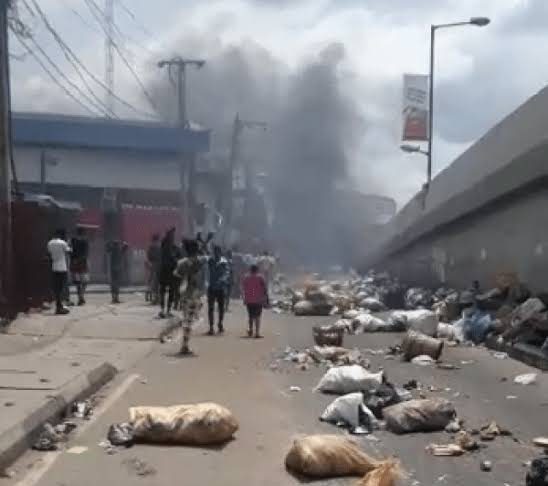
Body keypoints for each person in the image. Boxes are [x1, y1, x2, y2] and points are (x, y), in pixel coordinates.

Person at [174, 238, 208, 355]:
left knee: (187, 319)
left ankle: (184, 344)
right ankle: (184, 345)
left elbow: (176, 275)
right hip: (196, 294)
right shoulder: (202, 261)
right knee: (190, 321)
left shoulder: (181, 263)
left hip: (185, 294)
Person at [206, 245, 230, 335]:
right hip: (212, 287)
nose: (216, 254)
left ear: (220, 252)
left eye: (217, 252)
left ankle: (220, 324)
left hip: (221, 288)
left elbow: (227, 272)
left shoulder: (224, 262)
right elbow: (206, 271)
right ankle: (211, 327)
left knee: (221, 308)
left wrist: (223, 279)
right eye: (215, 252)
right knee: (211, 308)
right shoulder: (210, 261)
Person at [47, 229, 71, 315]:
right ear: (60, 235)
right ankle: (60, 307)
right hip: (62, 267)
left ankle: (59, 306)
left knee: (56, 288)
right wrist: (68, 244)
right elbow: (69, 251)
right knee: (61, 288)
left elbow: (49, 253)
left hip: (54, 267)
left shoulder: (49, 243)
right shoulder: (62, 243)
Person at [241, 264, 269, 338]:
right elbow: (265, 288)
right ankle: (257, 333)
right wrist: (266, 298)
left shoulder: (246, 277)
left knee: (250, 316)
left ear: (250, 270)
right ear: (257, 270)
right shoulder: (260, 278)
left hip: (249, 300)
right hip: (258, 300)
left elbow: (243, 288)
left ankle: (250, 330)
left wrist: (244, 298)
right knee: (257, 316)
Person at [158, 228, 180, 318]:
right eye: (171, 235)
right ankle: (163, 310)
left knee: (171, 291)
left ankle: (168, 310)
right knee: (163, 291)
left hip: (170, 271)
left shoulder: (173, 247)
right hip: (165, 270)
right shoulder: (165, 246)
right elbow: (172, 257)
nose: (172, 237)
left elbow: (177, 256)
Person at [70, 227, 89, 306]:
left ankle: (80, 297)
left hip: (74, 262)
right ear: (83, 233)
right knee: (85, 281)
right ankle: (81, 296)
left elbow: (70, 251)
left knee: (77, 282)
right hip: (82, 262)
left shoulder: (73, 240)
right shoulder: (85, 240)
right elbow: (86, 253)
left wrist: (73, 260)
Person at [106, 239, 127, 304]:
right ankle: (116, 298)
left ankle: (113, 298)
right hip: (118, 269)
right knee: (117, 284)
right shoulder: (120, 250)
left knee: (113, 283)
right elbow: (126, 246)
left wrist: (109, 242)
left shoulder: (112, 249)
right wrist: (123, 242)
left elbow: (107, 247)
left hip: (113, 269)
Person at [145, 233, 161, 305]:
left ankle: (155, 298)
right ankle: (158, 298)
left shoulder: (151, 246)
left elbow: (149, 256)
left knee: (153, 282)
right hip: (159, 265)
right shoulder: (159, 246)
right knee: (158, 282)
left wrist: (149, 263)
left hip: (153, 265)